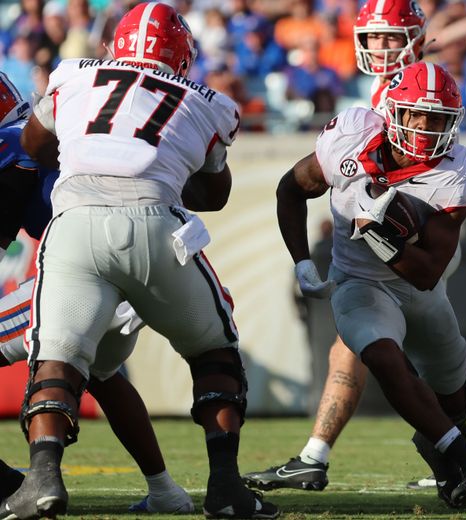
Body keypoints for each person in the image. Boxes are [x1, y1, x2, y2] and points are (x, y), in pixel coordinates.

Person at [4, 3, 277, 519]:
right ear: (181, 57)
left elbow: (36, 143)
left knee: (56, 359)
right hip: (157, 225)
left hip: (75, 225)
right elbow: (215, 194)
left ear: (115, 46)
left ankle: (42, 479)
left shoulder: (73, 74)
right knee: (213, 351)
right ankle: (225, 488)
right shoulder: (209, 101)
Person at [245, 0, 460, 502]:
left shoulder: (425, 86)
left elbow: (432, 168)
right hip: (378, 237)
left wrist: (372, 214)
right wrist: (353, 207)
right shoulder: (380, 95)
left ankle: (456, 455)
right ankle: (319, 455)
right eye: (375, 37)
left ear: (417, 36)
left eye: (392, 36)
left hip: (419, 234)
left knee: (431, 361)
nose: (383, 47)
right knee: (359, 343)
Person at [275, 61, 466, 509]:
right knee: (384, 356)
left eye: (439, 120)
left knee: (454, 391)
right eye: (419, 116)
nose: (428, 129)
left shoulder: (458, 169)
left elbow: (428, 271)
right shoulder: (350, 136)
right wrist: (300, 263)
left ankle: (446, 462)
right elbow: (289, 190)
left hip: (419, 288)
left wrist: (375, 230)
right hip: (360, 284)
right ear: (395, 113)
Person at [0, 70, 193, 514]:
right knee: (104, 376)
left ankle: (22, 481)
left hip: (84, 272)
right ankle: (164, 490)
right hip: (138, 267)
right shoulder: (56, 134)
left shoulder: (17, 145)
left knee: (78, 368)